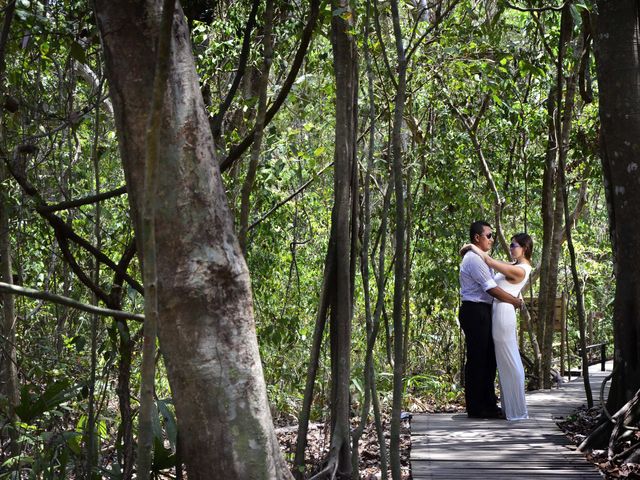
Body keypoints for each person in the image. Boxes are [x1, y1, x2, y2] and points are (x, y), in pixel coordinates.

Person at [461, 232, 533, 421]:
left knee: (509, 358)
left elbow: (490, 261)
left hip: (503, 313)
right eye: (510, 245)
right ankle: (508, 406)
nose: (511, 248)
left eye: (515, 245)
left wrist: (471, 246)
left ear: (524, 248)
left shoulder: (521, 269)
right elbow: (494, 261)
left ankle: (517, 407)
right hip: (497, 311)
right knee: (501, 359)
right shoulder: (514, 265)